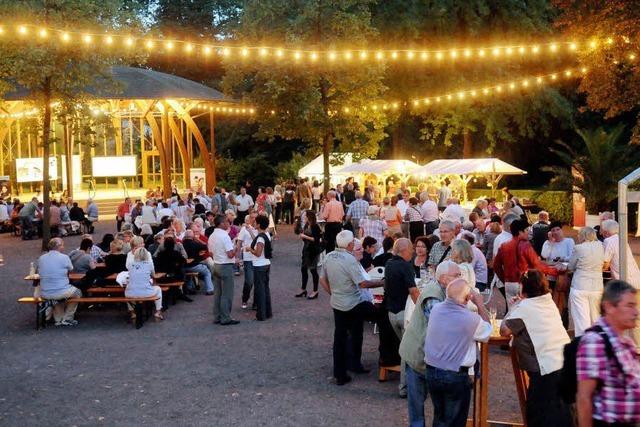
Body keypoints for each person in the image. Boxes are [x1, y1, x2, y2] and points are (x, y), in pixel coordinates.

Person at [500, 269, 572, 427]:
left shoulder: (525, 307)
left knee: (539, 416)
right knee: (561, 414)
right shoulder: (548, 301)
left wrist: (515, 306)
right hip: (564, 362)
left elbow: (504, 330)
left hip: (546, 368)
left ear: (523, 288)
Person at [400, 261, 461, 427]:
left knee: (433, 404)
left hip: (428, 356)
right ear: (443, 278)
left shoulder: (444, 291)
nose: (460, 279)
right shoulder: (433, 294)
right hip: (418, 355)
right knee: (418, 405)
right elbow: (442, 323)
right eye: (456, 276)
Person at [320, 230, 384, 385]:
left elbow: (322, 279)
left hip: (338, 303)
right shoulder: (349, 260)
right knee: (381, 318)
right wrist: (382, 283)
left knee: (341, 337)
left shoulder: (328, 257)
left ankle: (340, 373)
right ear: (349, 244)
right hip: (353, 302)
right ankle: (378, 360)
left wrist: (333, 293)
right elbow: (362, 283)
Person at [424, 279, 491, 427]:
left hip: (431, 369)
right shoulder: (470, 319)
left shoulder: (436, 310)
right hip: (454, 374)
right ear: (468, 298)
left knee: (440, 418)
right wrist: (479, 303)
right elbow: (487, 332)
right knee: (454, 421)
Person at [577, 280, 640, 427]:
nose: (636, 312)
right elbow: (584, 398)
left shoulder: (627, 343)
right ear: (609, 307)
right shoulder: (595, 341)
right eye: (630, 306)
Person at [493, 219, 561, 311]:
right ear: (520, 232)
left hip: (509, 283)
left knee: (512, 313)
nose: (528, 232)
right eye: (526, 230)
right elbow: (537, 265)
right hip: (524, 283)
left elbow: (496, 266)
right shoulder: (525, 245)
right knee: (526, 312)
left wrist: (505, 279)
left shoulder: (504, 246)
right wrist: (556, 271)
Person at [384, 238, 419, 398]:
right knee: (408, 352)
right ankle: (404, 387)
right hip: (404, 314)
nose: (412, 252)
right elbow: (413, 291)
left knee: (405, 349)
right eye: (411, 249)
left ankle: (408, 383)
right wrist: (422, 309)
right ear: (404, 250)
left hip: (391, 313)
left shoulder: (389, 264)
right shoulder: (406, 266)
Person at [568, 227, 606, 336]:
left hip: (580, 285)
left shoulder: (578, 248)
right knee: (596, 318)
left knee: (582, 320)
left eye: (579, 234)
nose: (578, 236)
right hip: (597, 286)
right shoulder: (600, 246)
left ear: (583, 235)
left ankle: (583, 345)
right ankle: (599, 343)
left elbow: (571, 266)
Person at [37, 238, 82, 326]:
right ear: (59, 246)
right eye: (62, 245)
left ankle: (59, 318)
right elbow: (71, 269)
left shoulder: (41, 258)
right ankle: (68, 318)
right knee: (77, 293)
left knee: (58, 297)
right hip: (61, 290)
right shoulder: (64, 257)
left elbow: (38, 271)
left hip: (44, 291)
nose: (63, 247)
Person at [208, 214, 239, 325]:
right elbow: (230, 254)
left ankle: (217, 316)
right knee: (227, 294)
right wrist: (236, 249)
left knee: (218, 293)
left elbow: (210, 252)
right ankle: (225, 317)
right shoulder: (224, 236)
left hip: (216, 264)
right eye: (226, 221)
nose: (228, 223)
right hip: (225, 265)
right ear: (221, 223)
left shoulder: (212, 236)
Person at [245, 215, 272, 321]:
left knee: (260, 290)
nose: (254, 223)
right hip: (265, 263)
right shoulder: (265, 235)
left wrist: (249, 249)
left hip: (259, 265)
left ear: (259, 224)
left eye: (256, 222)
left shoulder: (261, 237)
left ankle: (261, 314)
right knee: (265, 288)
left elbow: (258, 253)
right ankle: (267, 312)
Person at [126, 246, 163, 321]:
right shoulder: (149, 264)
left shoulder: (130, 264)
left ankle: (132, 312)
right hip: (146, 292)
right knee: (158, 289)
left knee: (129, 289)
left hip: (131, 293)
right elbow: (153, 275)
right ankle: (158, 311)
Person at [602, 219, 640, 288]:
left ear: (606, 232)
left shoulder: (608, 241)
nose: (600, 233)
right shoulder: (622, 238)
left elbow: (605, 264)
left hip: (624, 282)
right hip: (636, 278)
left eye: (601, 230)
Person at [297, 210, 322, 299]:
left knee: (313, 270)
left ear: (309, 217)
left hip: (313, 250)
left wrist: (305, 236)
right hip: (306, 249)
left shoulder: (315, 226)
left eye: (305, 216)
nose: (304, 217)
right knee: (303, 269)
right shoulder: (307, 225)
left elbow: (316, 239)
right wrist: (302, 237)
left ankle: (315, 291)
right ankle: (303, 289)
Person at [182, 230, 215, 295]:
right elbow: (205, 246)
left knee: (189, 273)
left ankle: (189, 287)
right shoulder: (194, 243)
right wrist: (198, 240)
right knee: (207, 272)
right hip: (194, 265)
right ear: (192, 236)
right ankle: (210, 289)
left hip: (184, 266)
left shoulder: (182, 244)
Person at [238, 212, 258, 309]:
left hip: (258, 258)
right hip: (248, 258)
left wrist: (251, 231)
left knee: (258, 281)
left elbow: (257, 241)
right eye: (252, 217)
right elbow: (239, 242)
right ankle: (245, 298)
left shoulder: (259, 229)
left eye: (255, 218)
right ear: (249, 219)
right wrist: (237, 256)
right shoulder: (244, 229)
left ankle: (256, 302)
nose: (254, 219)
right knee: (249, 281)